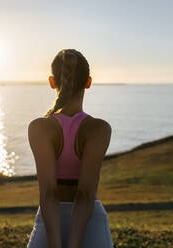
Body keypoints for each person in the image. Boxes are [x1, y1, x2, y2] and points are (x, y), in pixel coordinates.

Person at [27, 49, 113, 248]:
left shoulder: (39, 128)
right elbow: (85, 195)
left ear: (52, 81)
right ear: (88, 82)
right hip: (91, 223)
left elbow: (49, 194)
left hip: (49, 220)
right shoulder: (99, 129)